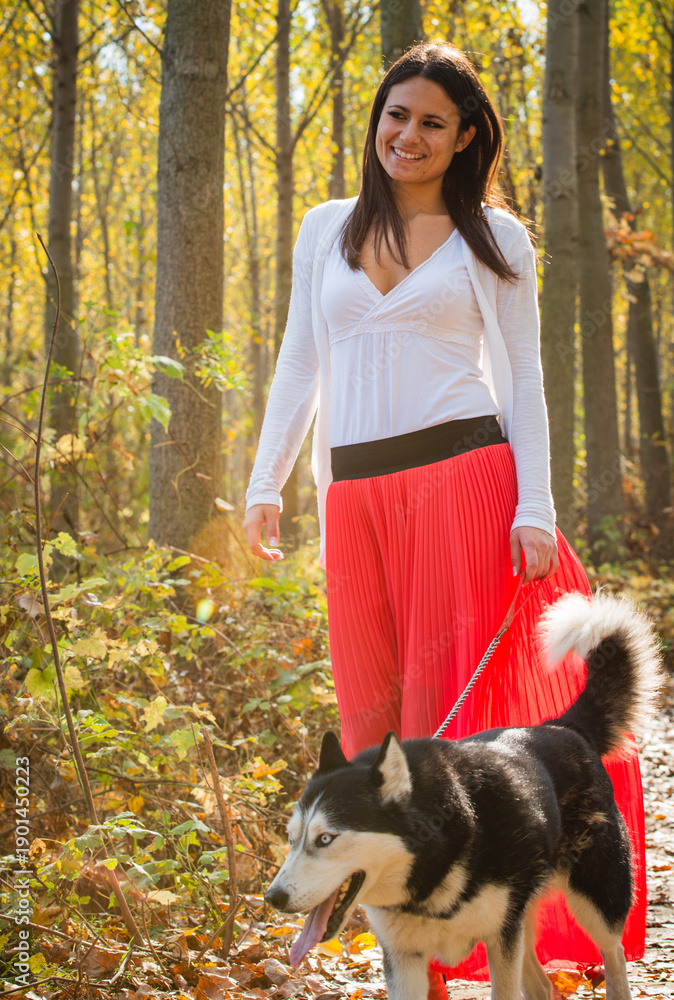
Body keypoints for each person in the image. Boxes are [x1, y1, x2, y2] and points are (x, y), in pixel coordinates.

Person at [243, 41, 646, 996]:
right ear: (375, 119)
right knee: (374, 717)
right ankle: (411, 948)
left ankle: (492, 932)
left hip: (466, 483)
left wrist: (536, 506)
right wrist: (269, 482)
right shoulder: (323, 228)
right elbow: (301, 362)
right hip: (357, 500)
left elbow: (525, 379)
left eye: (431, 122)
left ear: (466, 138)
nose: (407, 135)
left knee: (453, 709)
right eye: (395, 114)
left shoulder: (495, 239)